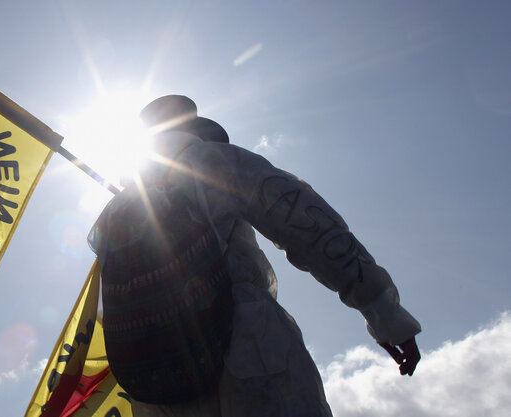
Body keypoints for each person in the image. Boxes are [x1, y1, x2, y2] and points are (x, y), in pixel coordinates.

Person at [88, 95, 421, 417]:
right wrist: (384, 312)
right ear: (195, 130)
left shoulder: (113, 212)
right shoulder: (212, 161)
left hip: (158, 379)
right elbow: (308, 225)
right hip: (248, 347)